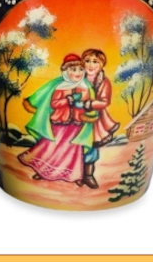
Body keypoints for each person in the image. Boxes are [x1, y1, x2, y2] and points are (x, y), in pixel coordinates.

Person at [18, 54, 96, 184]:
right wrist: (67, 100)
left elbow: (88, 104)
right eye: (73, 69)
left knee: (73, 150)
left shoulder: (85, 87)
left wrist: (83, 104)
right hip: (59, 123)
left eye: (81, 69)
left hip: (76, 124)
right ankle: (43, 171)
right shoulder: (60, 87)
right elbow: (54, 104)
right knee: (51, 147)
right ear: (66, 71)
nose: (78, 73)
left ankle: (75, 175)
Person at [80, 48, 120, 188]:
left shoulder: (103, 82)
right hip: (76, 118)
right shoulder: (77, 76)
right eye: (87, 61)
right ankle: (68, 173)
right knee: (72, 146)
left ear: (101, 65)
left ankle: (88, 175)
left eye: (95, 62)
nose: (91, 65)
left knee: (90, 148)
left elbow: (105, 101)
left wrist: (90, 104)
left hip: (94, 121)